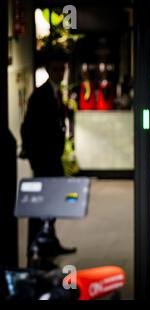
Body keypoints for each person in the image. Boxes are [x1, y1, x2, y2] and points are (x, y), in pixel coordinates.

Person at [21, 49, 76, 260]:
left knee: (52, 204)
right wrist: (35, 159)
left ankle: (49, 244)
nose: (60, 72)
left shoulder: (55, 92)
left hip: (52, 158)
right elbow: (28, 128)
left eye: (63, 68)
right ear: (48, 69)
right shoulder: (41, 94)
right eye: (56, 68)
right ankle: (35, 252)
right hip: (44, 160)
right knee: (41, 208)